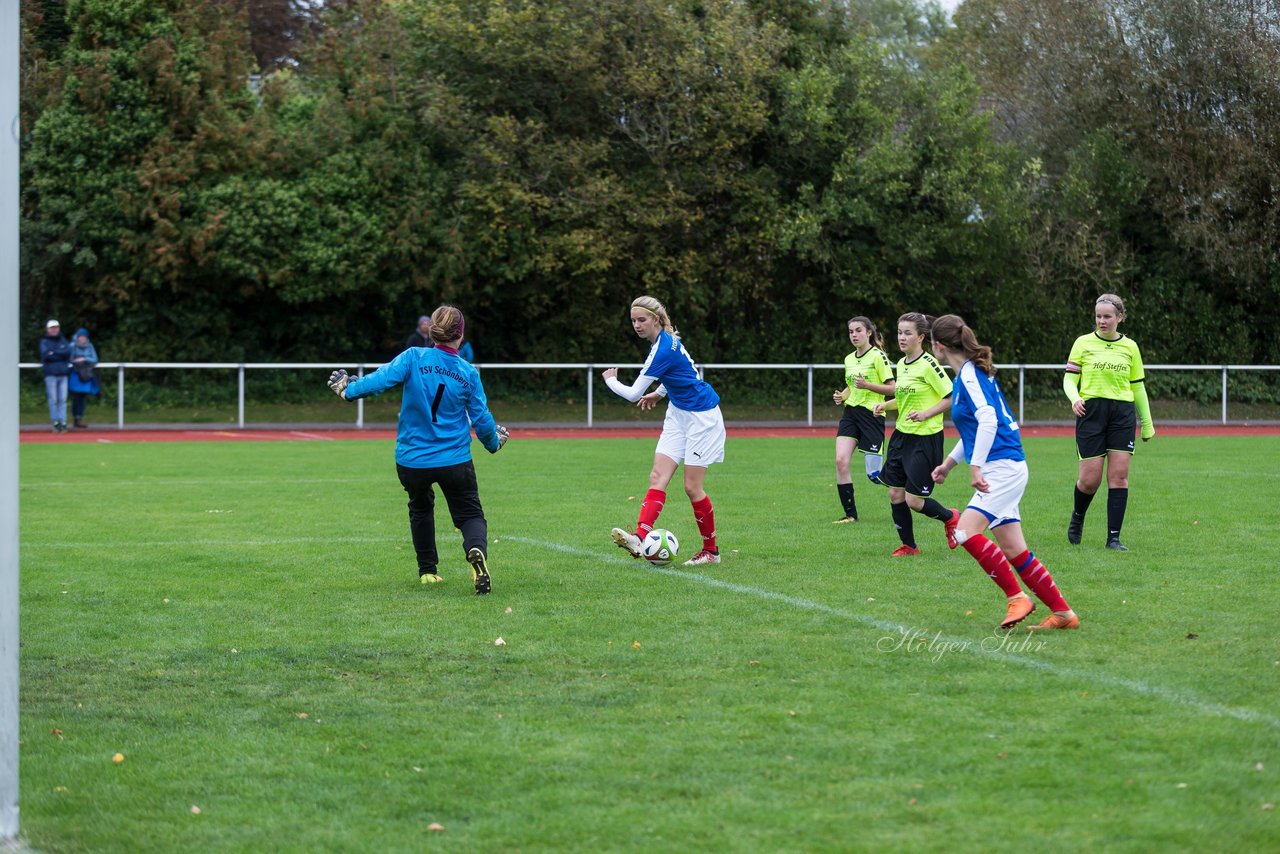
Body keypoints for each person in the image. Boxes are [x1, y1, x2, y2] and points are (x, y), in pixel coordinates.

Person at [328, 304, 509, 594]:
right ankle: (476, 551)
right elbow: (481, 418)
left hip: (412, 460)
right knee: (470, 515)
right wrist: (492, 442)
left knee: (420, 508)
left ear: (433, 331)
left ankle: (427, 571)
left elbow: (380, 379)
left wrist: (349, 389)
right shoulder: (467, 372)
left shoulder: (414, 357)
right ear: (460, 335)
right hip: (454, 460)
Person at [930, 314, 1080, 630]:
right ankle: (1063, 614)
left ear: (939, 346)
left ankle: (1017, 597)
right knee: (1014, 549)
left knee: (965, 531)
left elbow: (988, 421)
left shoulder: (970, 376)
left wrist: (975, 468)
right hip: (1006, 465)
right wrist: (948, 464)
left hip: (1002, 468)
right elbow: (973, 430)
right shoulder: (966, 376)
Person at [603, 296, 726, 567]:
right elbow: (679, 375)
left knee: (692, 487)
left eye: (642, 320)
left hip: (701, 417)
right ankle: (639, 536)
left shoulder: (662, 349)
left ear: (657, 320)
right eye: (633, 320)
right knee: (658, 475)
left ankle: (711, 551)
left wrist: (611, 381)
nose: (637, 325)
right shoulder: (664, 341)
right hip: (678, 414)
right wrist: (659, 394)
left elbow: (633, 392)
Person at [1063, 293, 1156, 550]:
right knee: (1090, 480)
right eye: (1098, 316)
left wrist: (1146, 422)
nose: (1102, 321)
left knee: (1119, 476)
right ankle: (1078, 516)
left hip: (1122, 414)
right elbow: (1070, 379)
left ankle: (1113, 538)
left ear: (1120, 318)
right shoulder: (1082, 343)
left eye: (1107, 316)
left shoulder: (1131, 347)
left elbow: (1137, 387)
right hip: (1091, 412)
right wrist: (1074, 398)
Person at [872, 312, 957, 556]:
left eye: (908, 333)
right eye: (899, 332)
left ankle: (951, 517)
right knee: (895, 493)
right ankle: (909, 546)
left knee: (914, 501)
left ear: (921, 337)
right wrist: (884, 405)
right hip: (902, 435)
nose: (902, 337)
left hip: (925, 438)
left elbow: (951, 397)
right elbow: (903, 398)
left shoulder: (929, 364)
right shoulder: (901, 364)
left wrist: (926, 413)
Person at [831, 316, 895, 523]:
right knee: (841, 461)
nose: (854, 335)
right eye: (851, 331)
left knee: (874, 475)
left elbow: (893, 388)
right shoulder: (849, 359)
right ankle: (850, 515)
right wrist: (843, 395)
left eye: (858, 330)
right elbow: (853, 385)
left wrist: (867, 386)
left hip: (872, 415)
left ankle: (906, 482)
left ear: (869, 333)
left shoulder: (878, 356)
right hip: (851, 415)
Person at [39, 319, 72, 433]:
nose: (54, 330)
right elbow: (46, 355)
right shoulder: (44, 341)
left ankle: (63, 421)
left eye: (56, 327)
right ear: (48, 329)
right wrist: (59, 353)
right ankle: (55, 421)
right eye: (52, 328)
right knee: (53, 399)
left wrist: (54, 353)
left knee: (62, 399)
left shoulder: (63, 340)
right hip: (50, 373)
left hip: (63, 373)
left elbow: (67, 352)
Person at [68, 328, 101, 429]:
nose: (82, 339)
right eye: (80, 337)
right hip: (76, 374)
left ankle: (79, 418)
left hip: (86, 375)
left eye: (83, 337)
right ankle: (75, 418)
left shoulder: (90, 346)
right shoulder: (72, 346)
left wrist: (84, 359)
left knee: (83, 397)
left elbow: (95, 359)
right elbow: (70, 359)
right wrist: (76, 361)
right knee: (75, 397)